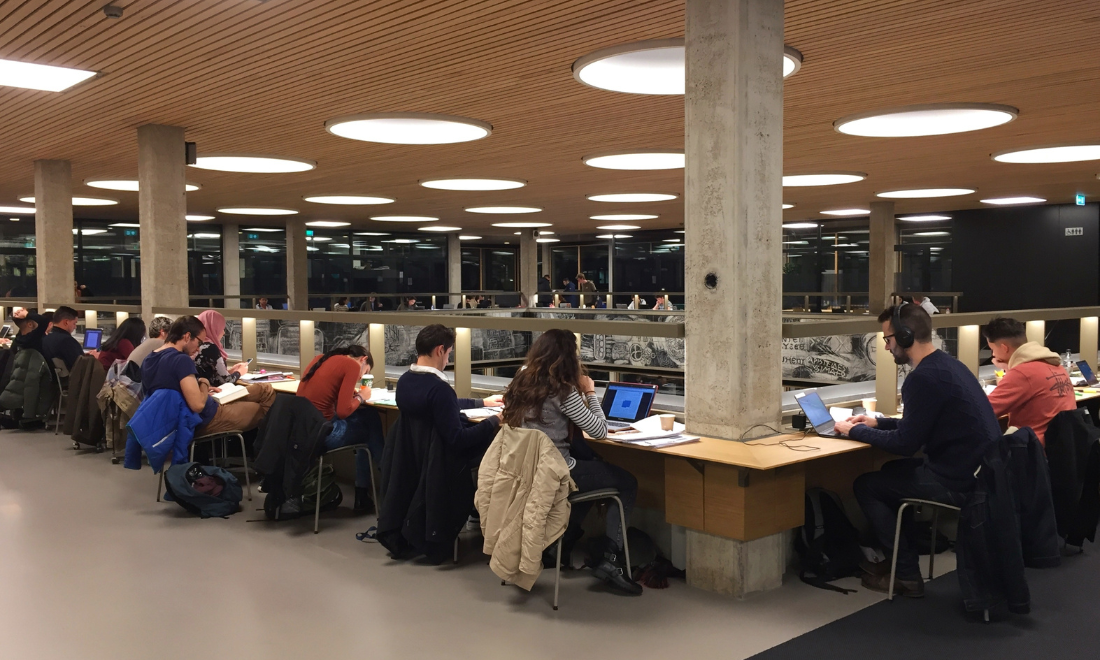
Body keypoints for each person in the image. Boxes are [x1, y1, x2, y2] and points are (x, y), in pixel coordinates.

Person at [834, 303, 1000, 597]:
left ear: (906, 336)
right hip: (981, 473)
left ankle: (907, 576)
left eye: (888, 339)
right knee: (890, 473)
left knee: (867, 485)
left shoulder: (921, 378)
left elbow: (906, 445)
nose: (886, 347)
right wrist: (877, 422)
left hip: (959, 481)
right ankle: (898, 561)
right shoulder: (948, 365)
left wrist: (855, 430)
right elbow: (917, 427)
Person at [502, 329, 642, 595]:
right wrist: (590, 392)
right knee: (626, 482)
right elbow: (600, 430)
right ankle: (610, 559)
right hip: (558, 473)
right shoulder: (563, 392)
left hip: (527, 473)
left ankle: (560, 542)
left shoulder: (521, 382)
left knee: (590, 479)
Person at [142, 315, 275, 436]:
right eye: (199, 342)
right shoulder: (181, 360)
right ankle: (263, 455)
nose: (199, 348)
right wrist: (204, 383)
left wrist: (198, 389)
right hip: (206, 418)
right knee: (263, 407)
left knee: (264, 390)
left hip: (173, 420)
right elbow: (198, 405)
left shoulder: (150, 358)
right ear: (187, 337)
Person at [297, 345, 385, 512]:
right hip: (324, 435)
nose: (361, 377)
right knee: (370, 422)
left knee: (366, 418)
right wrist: (361, 396)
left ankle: (368, 491)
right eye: (365, 372)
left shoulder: (322, 358)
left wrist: (352, 394)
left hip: (306, 432)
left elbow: (330, 394)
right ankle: (384, 477)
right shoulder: (351, 365)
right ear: (363, 359)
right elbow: (343, 412)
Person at [396, 324, 503, 453]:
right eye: (448, 353)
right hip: (442, 463)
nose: (447, 361)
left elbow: (443, 405)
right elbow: (459, 439)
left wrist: (483, 402)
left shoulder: (404, 381)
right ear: (440, 350)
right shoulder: (439, 389)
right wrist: (496, 419)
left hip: (415, 458)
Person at [983, 317, 1075, 444]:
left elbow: (985, 410)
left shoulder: (1022, 374)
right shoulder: (1055, 364)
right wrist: (1009, 367)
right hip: (1063, 448)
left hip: (1034, 452)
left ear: (1004, 347)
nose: (993, 355)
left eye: (992, 349)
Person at [193, 310, 249, 387]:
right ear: (213, 328)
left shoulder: (194, 345)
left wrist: (230, 371)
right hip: (215, 394)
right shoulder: (210, 348)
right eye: (221, 328)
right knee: (265, 389)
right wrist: (240, 372)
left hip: (205, 391)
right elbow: (225, 381)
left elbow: (212, 375)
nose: (223, 332)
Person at [42, 306, 86, 370]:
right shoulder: (67, 341)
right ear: (66, 322)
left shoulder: (46, 338)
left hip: (54, 378)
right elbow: (81, 366)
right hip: (72, 378)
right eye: (74, 323)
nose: (75, 327)